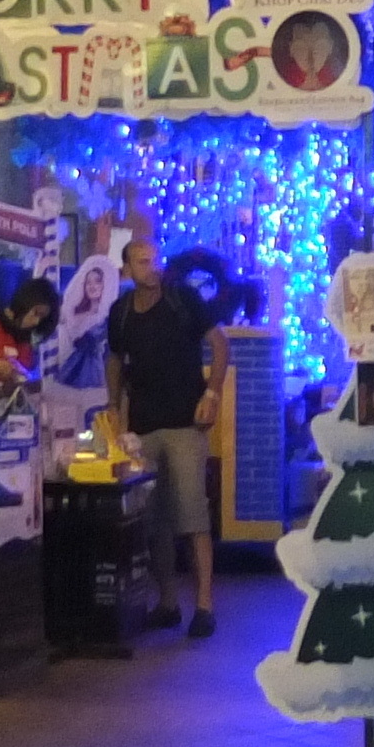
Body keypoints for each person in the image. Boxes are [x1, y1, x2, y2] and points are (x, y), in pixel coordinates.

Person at [105, 235, 225, 637]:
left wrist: (212, 392)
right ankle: (168, 602)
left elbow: (219, 343)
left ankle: (204, 605)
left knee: (193, 514)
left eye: (154, 259)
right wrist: (113, 408)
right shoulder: (121, 312)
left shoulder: (182, 299)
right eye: (141, 261)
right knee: (154, 520)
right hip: (143, 426)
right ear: (127, 269)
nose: (151, 267)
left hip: (185, 425)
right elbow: (114, 359)